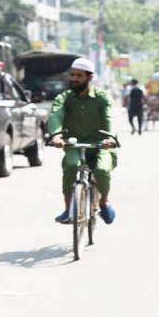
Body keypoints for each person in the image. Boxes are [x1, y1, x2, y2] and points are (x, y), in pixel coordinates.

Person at [48, 57, 117, 224]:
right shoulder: (64, 97)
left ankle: (104, 201)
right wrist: (56, 135)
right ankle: (68, 210)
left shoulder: (102, 98)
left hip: (102, 146)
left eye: (79, 75)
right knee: (71, 166)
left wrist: (109, 137)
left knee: (101, 170)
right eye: (72, 75)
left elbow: (109, 118)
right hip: (74, 145)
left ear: (89, 78)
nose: (74, 79)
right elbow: (55, 115)